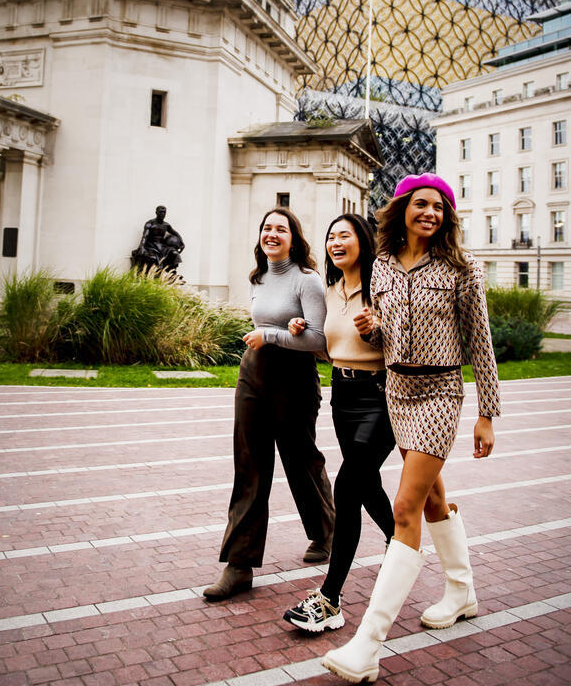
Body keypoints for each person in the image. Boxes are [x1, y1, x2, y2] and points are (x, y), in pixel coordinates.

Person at [322, 173, 501, 683]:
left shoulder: (461, 270)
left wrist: (488, 413)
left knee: (404, 507)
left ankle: (368, 644)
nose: (430, 212)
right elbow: (389, 331)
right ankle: (462, 589)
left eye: (439, 206)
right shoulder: (381, 268)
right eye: (421, 204)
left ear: (446, 217)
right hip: (396, 391)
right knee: (431, 500)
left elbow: (480, 344)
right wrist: (373, 326)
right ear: (401, 209)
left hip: (441, 392)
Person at [203, 207, 335, 601]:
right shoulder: (257, 278)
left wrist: (273, 335)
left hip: (293, 379)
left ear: (294, 238)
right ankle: (239, 565)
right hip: (254, 374)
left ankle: (326, 530)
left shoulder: (307, 280)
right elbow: (273, 327)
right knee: (249, 464)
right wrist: (274, 333)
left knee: (300, 459)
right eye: (266, 228)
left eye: (281, 229)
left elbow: (319, 341)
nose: (272, 234)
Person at [282, 213, 395, 633]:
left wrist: (378, 329)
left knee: (348, 488)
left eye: (344, 235)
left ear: (363, 241)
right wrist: (300, 330)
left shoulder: (383, 288)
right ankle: (401, 542)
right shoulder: (331, 291)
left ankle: (330, 599)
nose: (335, 242)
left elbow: (401, 342)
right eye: (331, 236)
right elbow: (329, 347)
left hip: (380, 397)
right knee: (367, 484)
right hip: (341, 396)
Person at [131, 205, 184, 273]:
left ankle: (171, 274)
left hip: (162, 247)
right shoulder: (150, 223)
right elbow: (144, 237)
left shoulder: (166, 225)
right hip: (151, 246)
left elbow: (175, 233)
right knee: (152, 257)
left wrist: (182, 243)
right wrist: (142, 247)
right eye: (160, 212)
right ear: (156, 212)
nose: (162, 214)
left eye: (164, 212)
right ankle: (153, 273)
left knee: (174, 253)